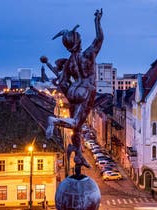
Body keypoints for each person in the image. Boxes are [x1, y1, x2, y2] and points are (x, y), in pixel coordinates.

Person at [43, 8, 104, 176]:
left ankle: (77, 153)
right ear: (78, 41)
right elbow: (100, 38)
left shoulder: (69, 62)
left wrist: (67, 92)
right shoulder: (88, 55)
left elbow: (62, 82)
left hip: (73, 91)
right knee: (76, 123)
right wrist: (97, 21)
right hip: (86, 91)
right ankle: (53, 120)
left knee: (75, 129)